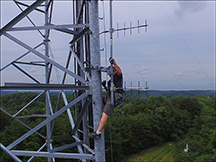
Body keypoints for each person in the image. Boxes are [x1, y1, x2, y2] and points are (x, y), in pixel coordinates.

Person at [88, 57, 123, 139]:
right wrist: (104, 86)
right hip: (110, 96)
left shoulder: (117, 76)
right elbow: (110, 91)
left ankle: (98, 133)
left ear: (113, 71)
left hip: (115, 96)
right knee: (98, 98)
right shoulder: (110, 81)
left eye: (109, 71)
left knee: (105, 113)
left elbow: (120, 72)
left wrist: (114, 63)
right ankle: (102, 116)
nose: (108, 73)